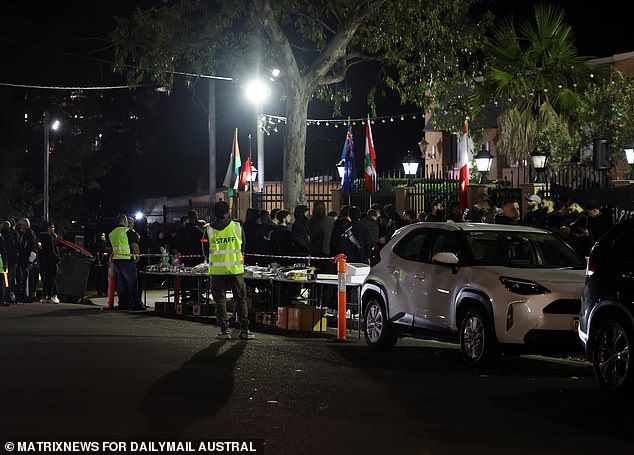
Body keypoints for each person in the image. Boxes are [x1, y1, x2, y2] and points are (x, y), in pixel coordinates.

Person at [204, 201, 253, 340]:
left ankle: (224, 330)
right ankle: (245, 329)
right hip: (235, 270)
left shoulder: (208, 229)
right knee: (240, 299)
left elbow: (205, 252)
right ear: (227, 212)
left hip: (217, 271)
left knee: (220, 300)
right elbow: (243, 246)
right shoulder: (237, 227)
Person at [108, 213, 143, 311]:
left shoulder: (112, 233)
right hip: (128, 260)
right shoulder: (128, 231)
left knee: (121, 283)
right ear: (124, 221)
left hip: (117, 261)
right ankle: (135, 304)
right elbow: (134, 245)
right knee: (132, 283)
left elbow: (109, 247)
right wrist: (137, 255)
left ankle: (123, 304)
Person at [16, 218, 38, 303]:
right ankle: (26, 295)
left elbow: (33, 249)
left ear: (26, 225)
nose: (20, 226)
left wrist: (30, 261)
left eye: (21, 225)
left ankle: (28, 296)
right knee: (25, 279)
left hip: (27, 261)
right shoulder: (24, 234)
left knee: (28, 279)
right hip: (23, 260)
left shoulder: (29, 235)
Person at [38, 222, 61, 304]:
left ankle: (45, 296)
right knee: (51, 279)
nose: (53, 229)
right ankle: (50, 296)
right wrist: (57, 258)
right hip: (51, 261)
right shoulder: (49, 238)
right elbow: (52, 250)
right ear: (48, 228)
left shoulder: (43, 238)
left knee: (46, 279)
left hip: (45, 261)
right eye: (52, 227)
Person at [1, 221, 18, 303]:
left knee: (3, 281)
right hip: (7, 262)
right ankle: (6, 297)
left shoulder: (2, 236)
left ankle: (4, 297)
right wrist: (15, 261)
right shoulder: (10, 237)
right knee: (8, 281)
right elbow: (12, 250)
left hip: (3, 262)